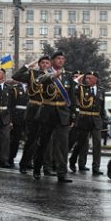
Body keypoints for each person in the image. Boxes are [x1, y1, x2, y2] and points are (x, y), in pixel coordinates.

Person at [32, 51, 75, 183]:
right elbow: (39, 81)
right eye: (58, 58)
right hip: (47, 113)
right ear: (52, 61)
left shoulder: (68, 75)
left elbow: (72, 96)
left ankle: (62, 173)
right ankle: (37, 168)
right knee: (43, 143)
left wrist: (73, 115)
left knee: (63, 145)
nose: (61, 61)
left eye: (62, 58)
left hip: (62, 113)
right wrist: (52, 77)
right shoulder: (45, 73)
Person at [12, 55, 51, 174]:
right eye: (42, 63)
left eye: (47, 63)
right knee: (31, 140)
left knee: (46, 141)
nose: (45, 65)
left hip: (45, 109)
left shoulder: (52, 76)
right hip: (33, 109)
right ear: (39, 64)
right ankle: (24, 163)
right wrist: (28, 66)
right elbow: (16, 76)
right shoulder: (32, 74)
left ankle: (44, 166)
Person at [68, 71, 106, 175]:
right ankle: (73, 160)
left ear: (96, 79)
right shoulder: (81, 88)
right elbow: (71, 90)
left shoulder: (101, 91)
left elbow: (102, 108)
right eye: (87, 78)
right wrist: (77, 80)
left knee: (97, 144)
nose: (87, 80)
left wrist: (103, 120)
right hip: (84, 119)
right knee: (81, 143)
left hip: (96, 120)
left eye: (90, 78)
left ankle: (96, 167)